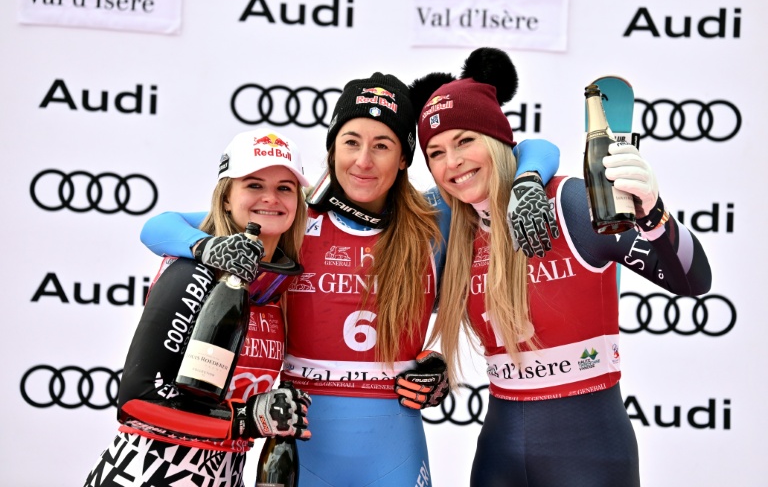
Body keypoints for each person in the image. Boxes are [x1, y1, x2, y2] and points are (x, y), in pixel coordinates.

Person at [138, 72, 561, 485]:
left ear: (403, 158)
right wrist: (205, 247)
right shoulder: (294, 216)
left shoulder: (435, 219)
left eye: (382, 146)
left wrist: (527, 181)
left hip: (394, 447)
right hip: (303, 442)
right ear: (332, 149)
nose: (363, 161)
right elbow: (159, 227)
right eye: (351, 142)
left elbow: (533, 149)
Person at [410, 47, 713, 487]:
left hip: (590, 454)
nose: (451, 162)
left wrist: (652, 213)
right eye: (435, 152)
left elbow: (693, 280)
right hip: (499, 454)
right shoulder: (452, 231)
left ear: (496, 140)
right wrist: (426, 368)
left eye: (465, 141)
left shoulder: (567, 201)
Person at [84, 128, 312, 487]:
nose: (270, 198)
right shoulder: (194, 270)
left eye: (285, 188)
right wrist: (245, 419)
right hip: (149, 474)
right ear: (226, 198)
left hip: (224, 475)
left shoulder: (275, 285)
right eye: (253, 184)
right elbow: (137, 403)